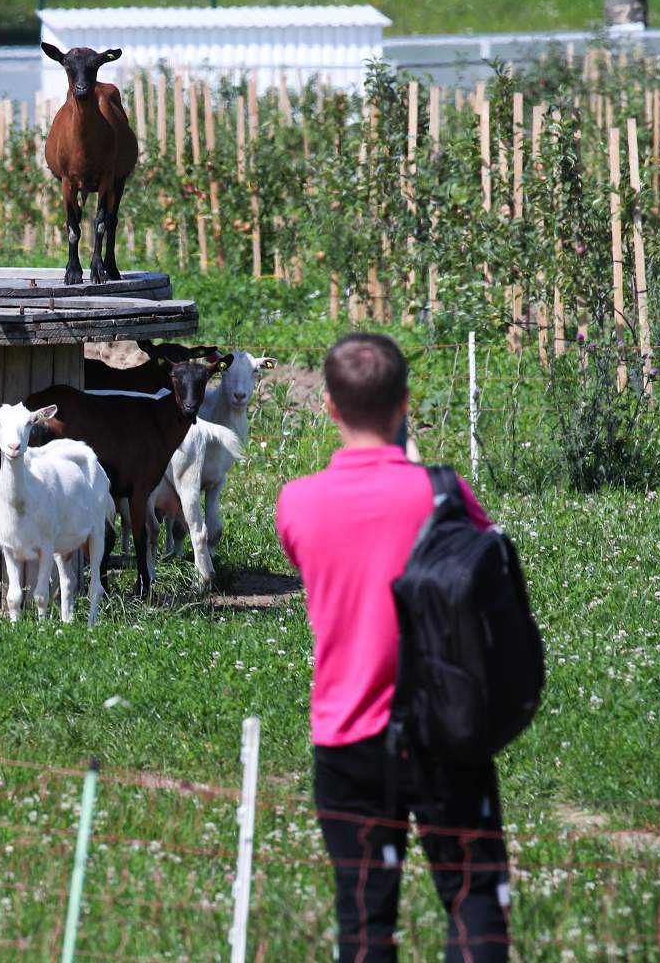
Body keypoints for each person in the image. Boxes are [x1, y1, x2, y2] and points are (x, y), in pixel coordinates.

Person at [276, 333, 511, 962]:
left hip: (347, 733)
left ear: (329, 406)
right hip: (444, 727)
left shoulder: (296, 504)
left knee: (364, 922)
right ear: (405, 402)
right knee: (473, 898)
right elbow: (482, 557)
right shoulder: (444, 492)